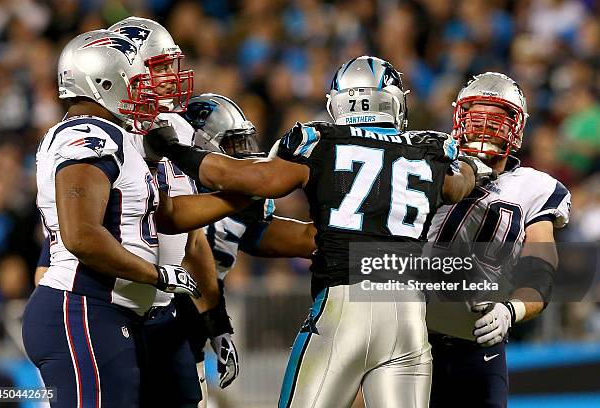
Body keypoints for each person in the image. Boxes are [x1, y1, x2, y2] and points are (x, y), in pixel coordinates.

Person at [145, 56, 492, 407]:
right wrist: (472, 169)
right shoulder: (429, 149)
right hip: (408, 314)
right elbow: (458, 185)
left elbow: (257, 180)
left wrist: (175, 151)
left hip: (345, 306)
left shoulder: (321, 141)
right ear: (393, 100)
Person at [23, 30, 249, 408]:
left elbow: (171, 216)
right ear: (104, 82)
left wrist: (240, 195)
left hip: (130, 312)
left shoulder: (121, 136)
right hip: (83, 304)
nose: (145, 91)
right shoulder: (86, 134)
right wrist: (156, 275)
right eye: (137, 81)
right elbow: (80, 235)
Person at [424, 72, 571, 408]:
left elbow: (540, 264)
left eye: (498, 120)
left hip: (479, 341)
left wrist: (512, 310)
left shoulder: (534, 187)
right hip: (410, 333)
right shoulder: (429, 163)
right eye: (476, 117)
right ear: (460, 119)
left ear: (516, 129)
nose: (484, 128)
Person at [109, 16, 227, 407]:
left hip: (165, 309)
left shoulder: (178, 126)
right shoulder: (106, 134)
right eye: (160, 67)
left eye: (171, 66)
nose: (171, 77)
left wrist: (215, 319)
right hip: (112, 309)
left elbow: (191, 238)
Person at [180, 93, 317, 407]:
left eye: (245, 144)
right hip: (150, 333)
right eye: (232, 147)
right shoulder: (167, 194)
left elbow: (306, 239)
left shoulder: (239, 207)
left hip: (192, 342)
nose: (245, 156)